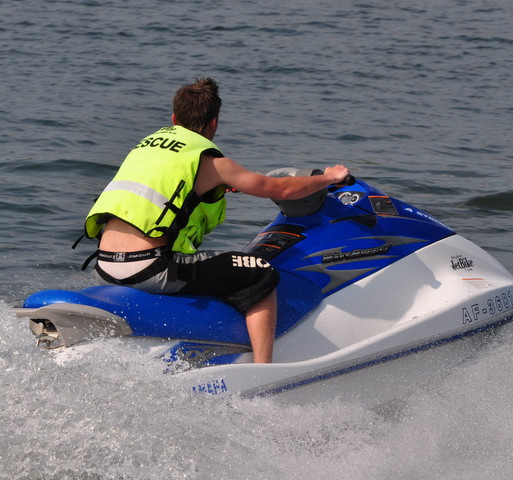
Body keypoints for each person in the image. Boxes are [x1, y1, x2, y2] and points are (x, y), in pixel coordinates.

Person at [83, 77, 350, 363]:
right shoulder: (211, 162)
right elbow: (281, 188)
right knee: (260, 271)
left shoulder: (145, 147)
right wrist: (329, 177)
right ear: (214, 123)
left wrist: (217, 186)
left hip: (105, 265)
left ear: (174, 118)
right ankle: (264, 369)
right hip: (149, 268)